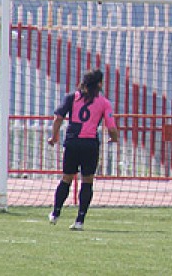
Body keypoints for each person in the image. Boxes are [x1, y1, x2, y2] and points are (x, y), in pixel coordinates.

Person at [47, 69, 119, 230]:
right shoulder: (104, 103)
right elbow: (112, 127)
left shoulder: (72, 98)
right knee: (87, 181)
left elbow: (58, 117)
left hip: (72, 143)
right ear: (99, 84)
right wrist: (114, 138)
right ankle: (79, 220)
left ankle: (56, 212)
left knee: (66, 178)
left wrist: (54, 136)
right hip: (90, 145)